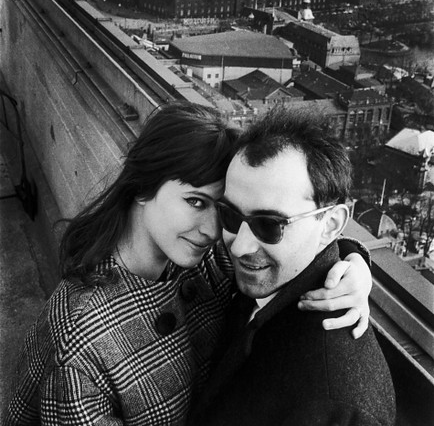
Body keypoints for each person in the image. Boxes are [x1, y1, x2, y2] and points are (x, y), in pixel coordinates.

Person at [5, 102, 372, 426]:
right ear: (143, 187)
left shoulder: (206, 260)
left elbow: (297, 242)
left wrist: (352, 263)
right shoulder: (80, 337)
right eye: (196, 202)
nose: (215, 230)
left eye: (223, 210)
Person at [188, 106, 396, 426]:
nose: (240, 246)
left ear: (330, 225)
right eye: (229, 215)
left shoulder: (334, 398)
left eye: (270, 225)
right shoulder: (269, 280)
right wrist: (354, 257)